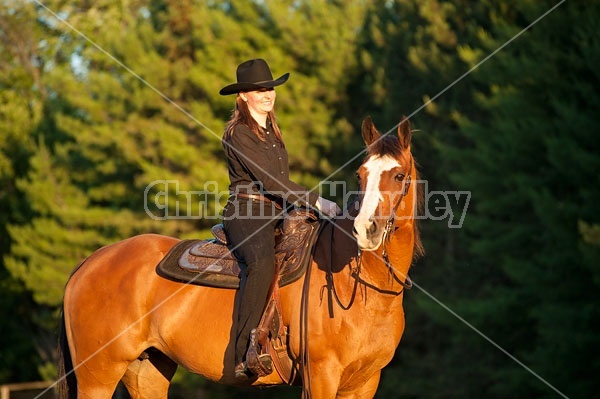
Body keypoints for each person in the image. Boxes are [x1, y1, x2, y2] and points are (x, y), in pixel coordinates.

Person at [219, 58, 340, 380]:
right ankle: (244, 352)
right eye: (259, 90)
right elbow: (271, 182)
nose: (267, 94)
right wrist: (318, 201)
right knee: (261, 263)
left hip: (277, 210)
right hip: (247, 212)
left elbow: (279, 185)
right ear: (243, 95)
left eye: (270, 88)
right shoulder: (239, 133)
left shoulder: (271, 129)